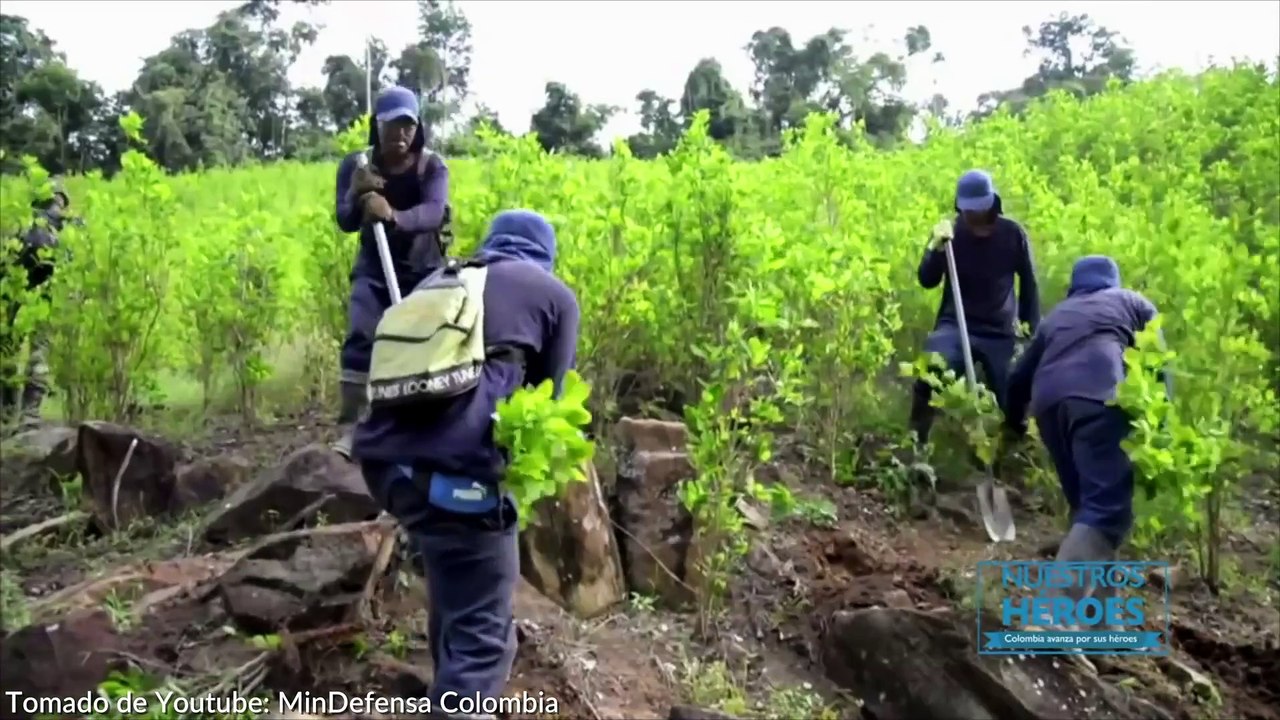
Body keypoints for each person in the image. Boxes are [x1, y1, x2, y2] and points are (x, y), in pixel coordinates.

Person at [354, 209, 580, 717]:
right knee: (484, 641)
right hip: (453, 479)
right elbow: (550, 400)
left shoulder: (446, 278)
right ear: (544, 255)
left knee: (458, 598)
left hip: (386, 468)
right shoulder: (554, 296)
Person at [1002, 255, 1168, 608]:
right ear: (1113, 281)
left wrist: (1014, 424)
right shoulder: (1134, 303)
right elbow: (1158, 367)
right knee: (1107, 512)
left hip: (1048, 407)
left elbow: (1017, 378)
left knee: (1089, 510)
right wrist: (1160, 429)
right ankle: (1053, 614)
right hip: (1099, 396)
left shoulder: (1056, 316)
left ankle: (1101, 624)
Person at [332, 85, 451, 460]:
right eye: (392, 125)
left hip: (423, 271)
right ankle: (354, 428)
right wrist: (356, 196)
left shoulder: (431, 167)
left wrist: (393, 215)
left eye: (407, 125)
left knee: (425, 346)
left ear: (418, 128)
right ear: (376, 127)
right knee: (361, 336)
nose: (401, 133)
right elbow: (345, 221)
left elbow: (433, 212)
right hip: (374, 271)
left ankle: (421, 429)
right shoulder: (356, 165)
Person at [910, 169, 1041, 447]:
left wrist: (1029, 333)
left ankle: (1013, 450)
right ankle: (917, 444)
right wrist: (934, 248)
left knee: (1016, 393)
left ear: (992, 203)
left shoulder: (1012, 234)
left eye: (979, 208)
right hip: (956, 326)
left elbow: (1029, 284)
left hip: (1000, 331)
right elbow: (927, 280)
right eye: (968, 210)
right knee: (931, 371)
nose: (974, 216)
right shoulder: (950, 234)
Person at [1, 179, 73, 433]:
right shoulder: (66, 226)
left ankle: (5, 414)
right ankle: (29, 416)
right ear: (62, 199)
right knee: (39, 353)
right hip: (47, 298)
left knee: (8, 350)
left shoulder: (20, 220)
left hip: (14, 293)